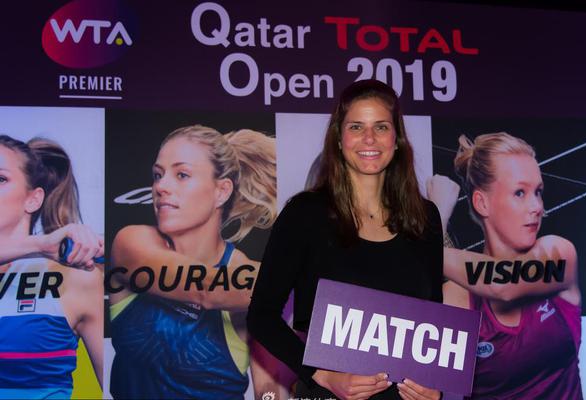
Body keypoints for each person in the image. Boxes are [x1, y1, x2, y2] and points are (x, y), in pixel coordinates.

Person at [247, 80, 443, 400]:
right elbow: (261, 316)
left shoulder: (425, 217)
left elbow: (435, 322)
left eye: (381, 126)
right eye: (356, 126)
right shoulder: (304, 215)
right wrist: (324, 376)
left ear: (397, 139)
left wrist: (435, 388)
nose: (369, 138)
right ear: (339, 139)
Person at [109, 125, 281, 399]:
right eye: (158, 175)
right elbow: (207, 289)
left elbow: (269, 390)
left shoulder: (244, 272)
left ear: (221, 191)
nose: (160, 187)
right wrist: (300, 278)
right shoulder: (132, 244)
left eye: (182, 175)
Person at [428, 132, 582, 399]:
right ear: (482, 203)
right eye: (520, 192)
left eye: (538, 192)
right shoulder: (456, 297)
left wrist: (432, 227)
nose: (536, 206)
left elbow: (503, 284)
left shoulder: (558, 255)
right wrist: (435, 218)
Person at [0, 135, 104, 399]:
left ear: (33, 199)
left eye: (0, 179)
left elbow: (119, 384)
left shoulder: (75, 278)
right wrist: (41, 243)